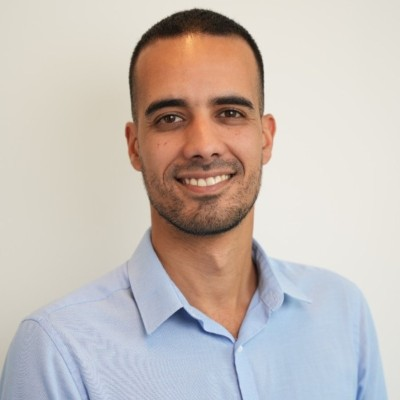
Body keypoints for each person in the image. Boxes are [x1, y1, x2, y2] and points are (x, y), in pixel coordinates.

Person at [0, 8, 387, 400]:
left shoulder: (343, 312)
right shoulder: (57, 351)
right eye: (170, 118)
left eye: (230, 113)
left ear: (266, 137)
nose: (203, 145)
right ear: (135, 147)